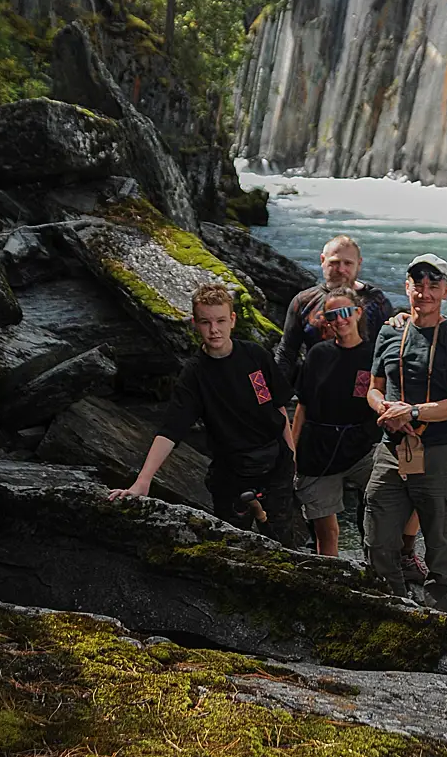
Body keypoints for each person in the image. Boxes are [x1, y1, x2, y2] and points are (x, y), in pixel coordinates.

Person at [108, 282, 303, 544]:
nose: (214, 330)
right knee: (231, 544)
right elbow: (171, 430)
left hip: (274, 463)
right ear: (194, 323)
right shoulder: (194, 374)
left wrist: (291, 460)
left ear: (232, 320)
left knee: (282, 542)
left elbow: (278, 407)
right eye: (205, 322)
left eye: (221, 321)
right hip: (230, 471)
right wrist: (143, 481)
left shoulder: (255, 356)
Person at [364, 253, 447, 610]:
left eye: (433, 285)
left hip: (439, 452)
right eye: (417, 284)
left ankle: (436, 614)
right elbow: (373, 388)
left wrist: (411, 411)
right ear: (407, 287)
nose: (424, 292)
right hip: (391, 449)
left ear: (445, 290)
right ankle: (392, 604)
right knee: (378, 533)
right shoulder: (389, 330)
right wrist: (385, 409)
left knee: (440, 542)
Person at [291, 285, 380, 556]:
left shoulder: (375, 354)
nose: (339, 320)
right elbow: (303, 406)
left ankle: (382, 573)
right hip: (319, 449)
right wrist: (291, 450)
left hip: (362, 447)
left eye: (345, 312)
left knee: (385, 512)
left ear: (358, 313)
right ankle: (330, 580)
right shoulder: (318, 354)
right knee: (326, 533)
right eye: (331, 316)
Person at [276, 234, 391, 385]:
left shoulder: (377, 301)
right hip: (316, 387)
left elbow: (387, 355)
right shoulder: (304, 301)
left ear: (359, 264)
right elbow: (287, 352)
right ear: (323, 260)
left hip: (362, 390)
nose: (341, 269)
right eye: (335, 262)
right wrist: (277, 397)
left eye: (348, 263)